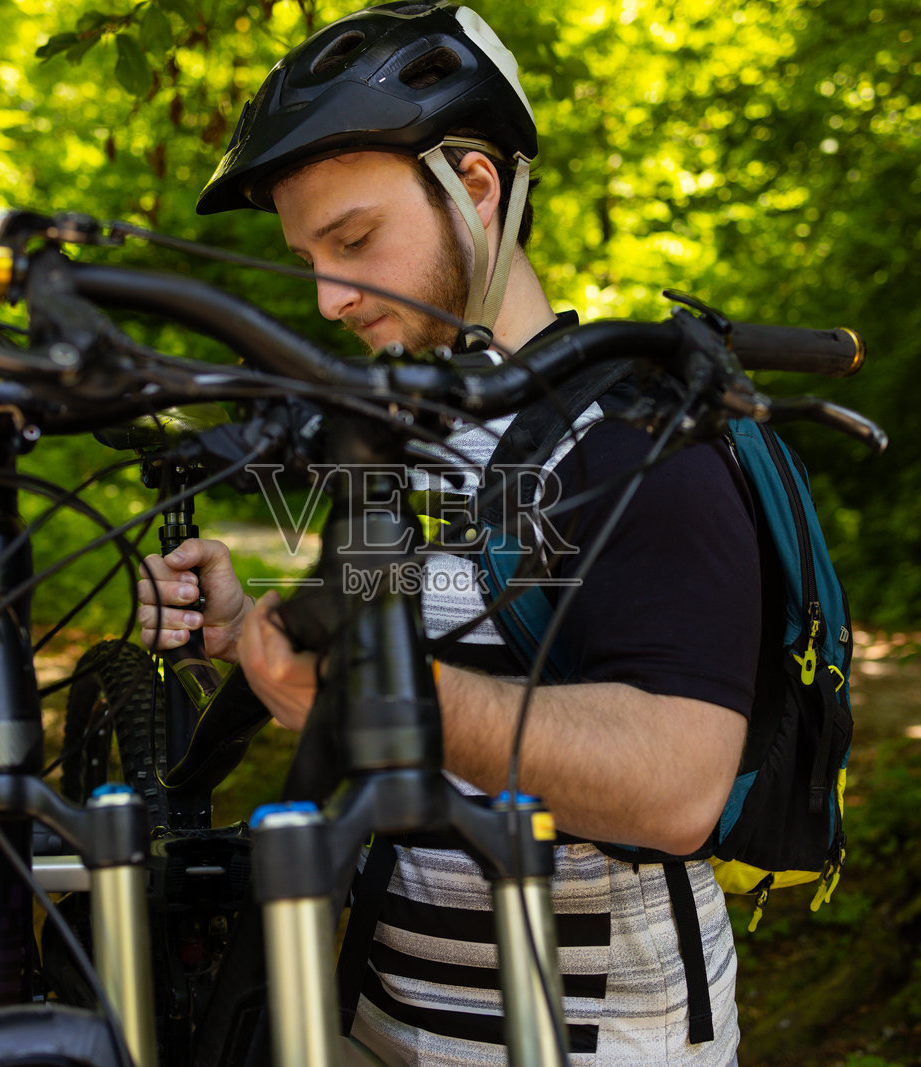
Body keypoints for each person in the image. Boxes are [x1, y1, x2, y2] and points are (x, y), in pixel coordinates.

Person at [138, 4, 759, 1063]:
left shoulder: (641, 436)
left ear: (474, 186)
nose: (330, 297)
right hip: (381, 1008)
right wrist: (247, 627)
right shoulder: (402, 443)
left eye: (355, 240)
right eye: (307, 258)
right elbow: (392, 678)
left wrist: (386, 692)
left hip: (593, 1030)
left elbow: (679, 784)